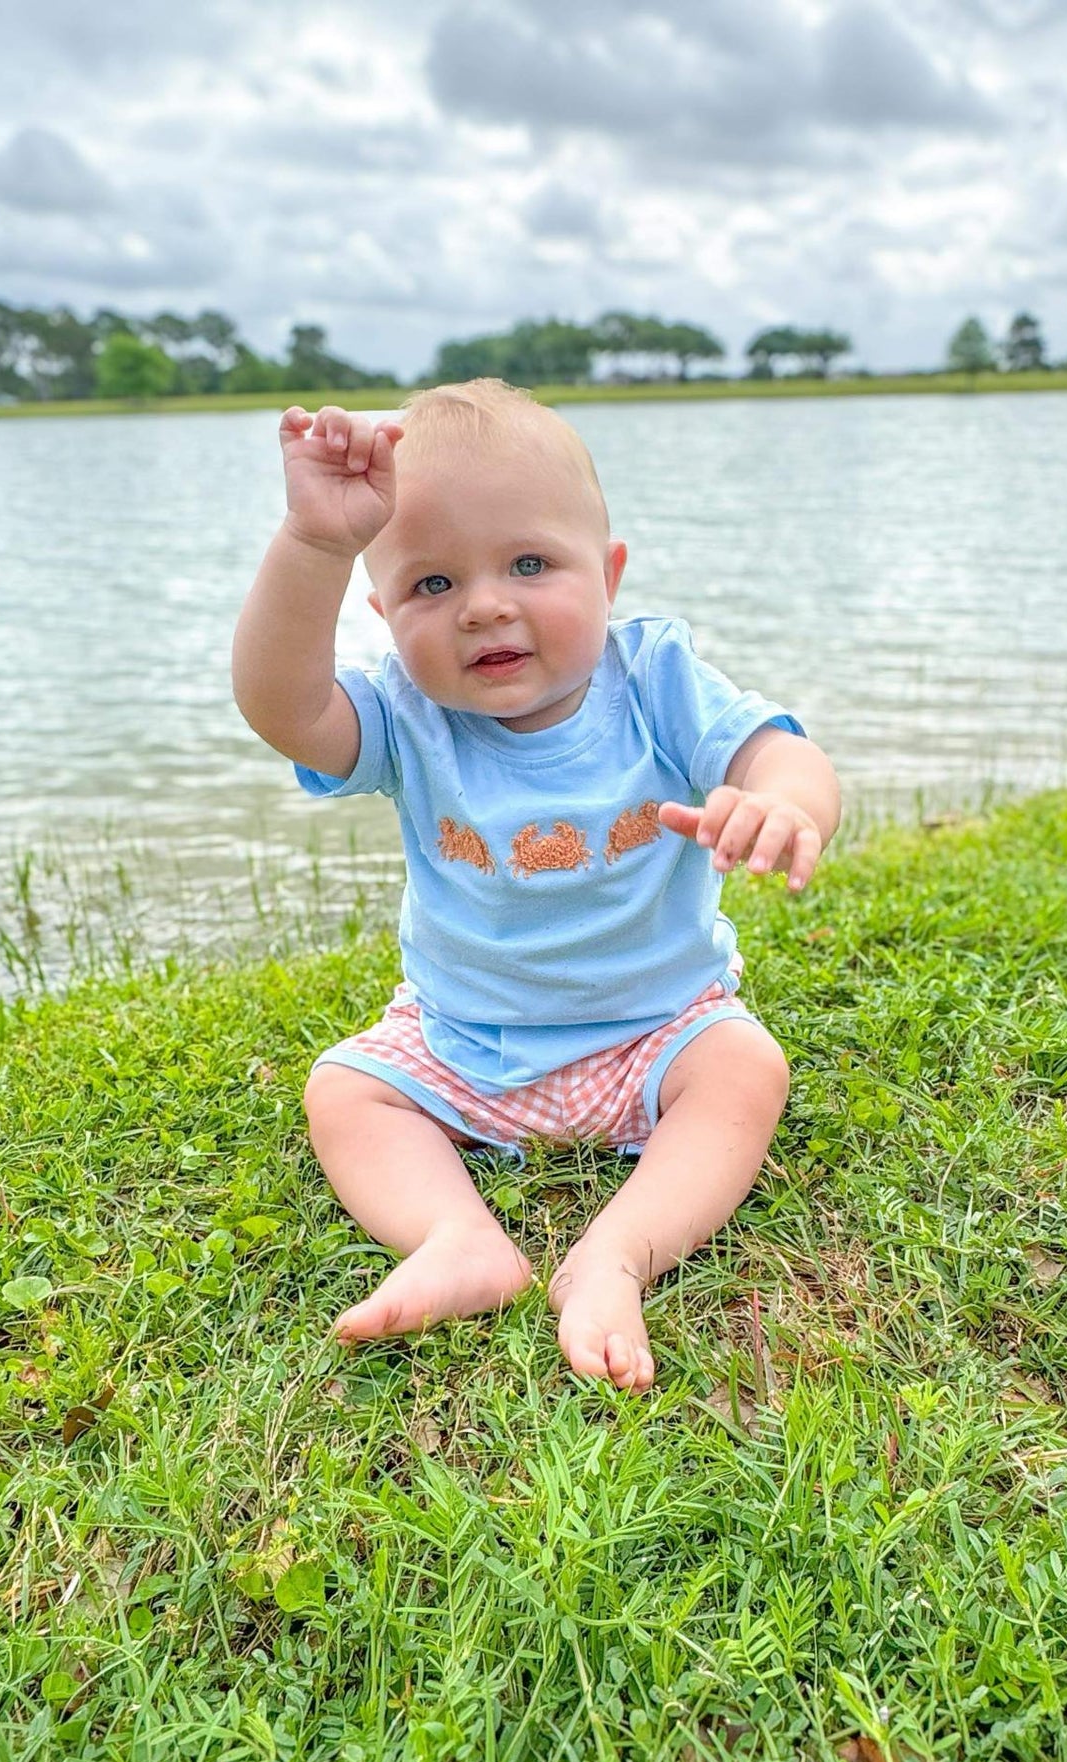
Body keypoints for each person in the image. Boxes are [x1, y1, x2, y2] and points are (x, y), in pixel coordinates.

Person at [232, 378, 841, 1390]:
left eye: (528, 563)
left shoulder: (653, 678)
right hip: (461, 1041)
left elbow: (778, 753)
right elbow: (280, 706)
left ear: (605, 574)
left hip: (653, 1030)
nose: (484, 605)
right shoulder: (405, 717)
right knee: (344, 1091)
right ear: (380, 613)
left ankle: (616, 1254)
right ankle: (458, 1238)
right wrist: (313, 544)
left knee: (743, 1070)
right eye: (431, 586)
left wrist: (782, 804)